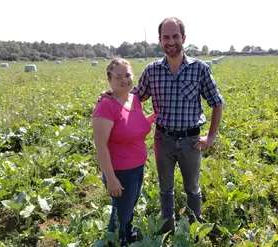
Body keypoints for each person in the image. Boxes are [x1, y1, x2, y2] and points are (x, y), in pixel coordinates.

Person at [102, 17, 224, 233]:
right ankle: (167, 229)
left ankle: (194, 230)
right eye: (166, 37)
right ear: (160, 40)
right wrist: (111, 95)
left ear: (183, 38)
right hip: (163, 139)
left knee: (192, 189)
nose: (171, 41)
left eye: (175, 36)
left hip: (191, 140)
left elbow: (217, 103)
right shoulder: (152, 71)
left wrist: (211, 137)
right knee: (165, 189)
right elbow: (135, 96)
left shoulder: (200, 69)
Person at [92, 58, 155, 245]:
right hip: (120, 171)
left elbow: (138, 126)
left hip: (137, 167)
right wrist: (111, 179)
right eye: (118, 76)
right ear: (109, 79)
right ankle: (115, 241)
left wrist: (159, 114)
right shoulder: (106, 105)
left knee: (129, 208)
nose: (124, 80)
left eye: (127, 75)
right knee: (120, 214)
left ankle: (126, 235)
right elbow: (101, 145)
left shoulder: (134, 99)